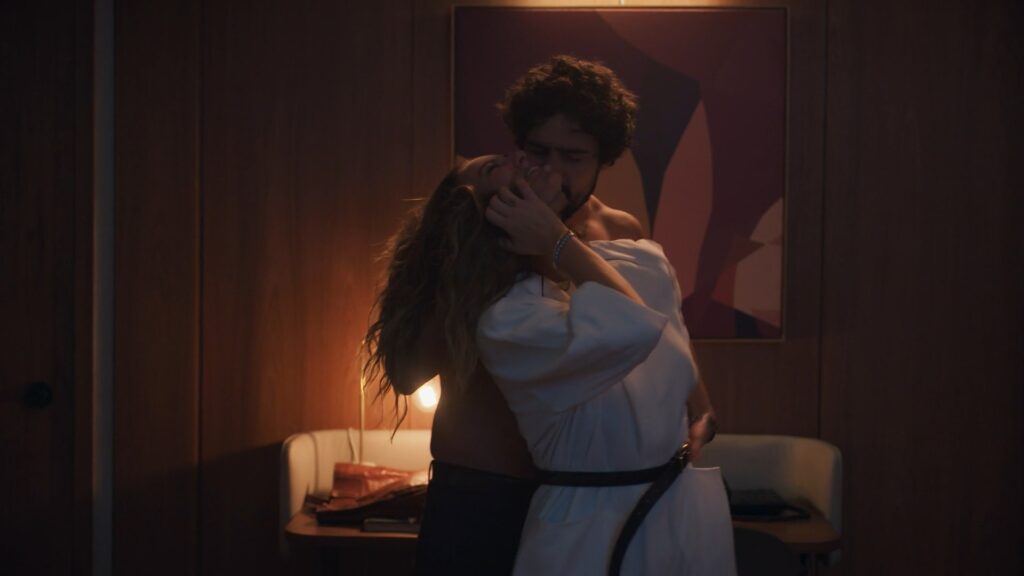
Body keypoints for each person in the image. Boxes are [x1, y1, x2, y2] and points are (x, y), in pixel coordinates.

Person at [363, 56, 726, 574]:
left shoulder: (619, 231)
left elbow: (656, 324)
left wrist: (699, 405)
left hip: (587, 496)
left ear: (603, 159)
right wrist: (476, 258)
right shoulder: (477, 221)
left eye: (573, 156)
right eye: (538, 151)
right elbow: (405, 373)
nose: (552, 170)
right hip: (480, 487)